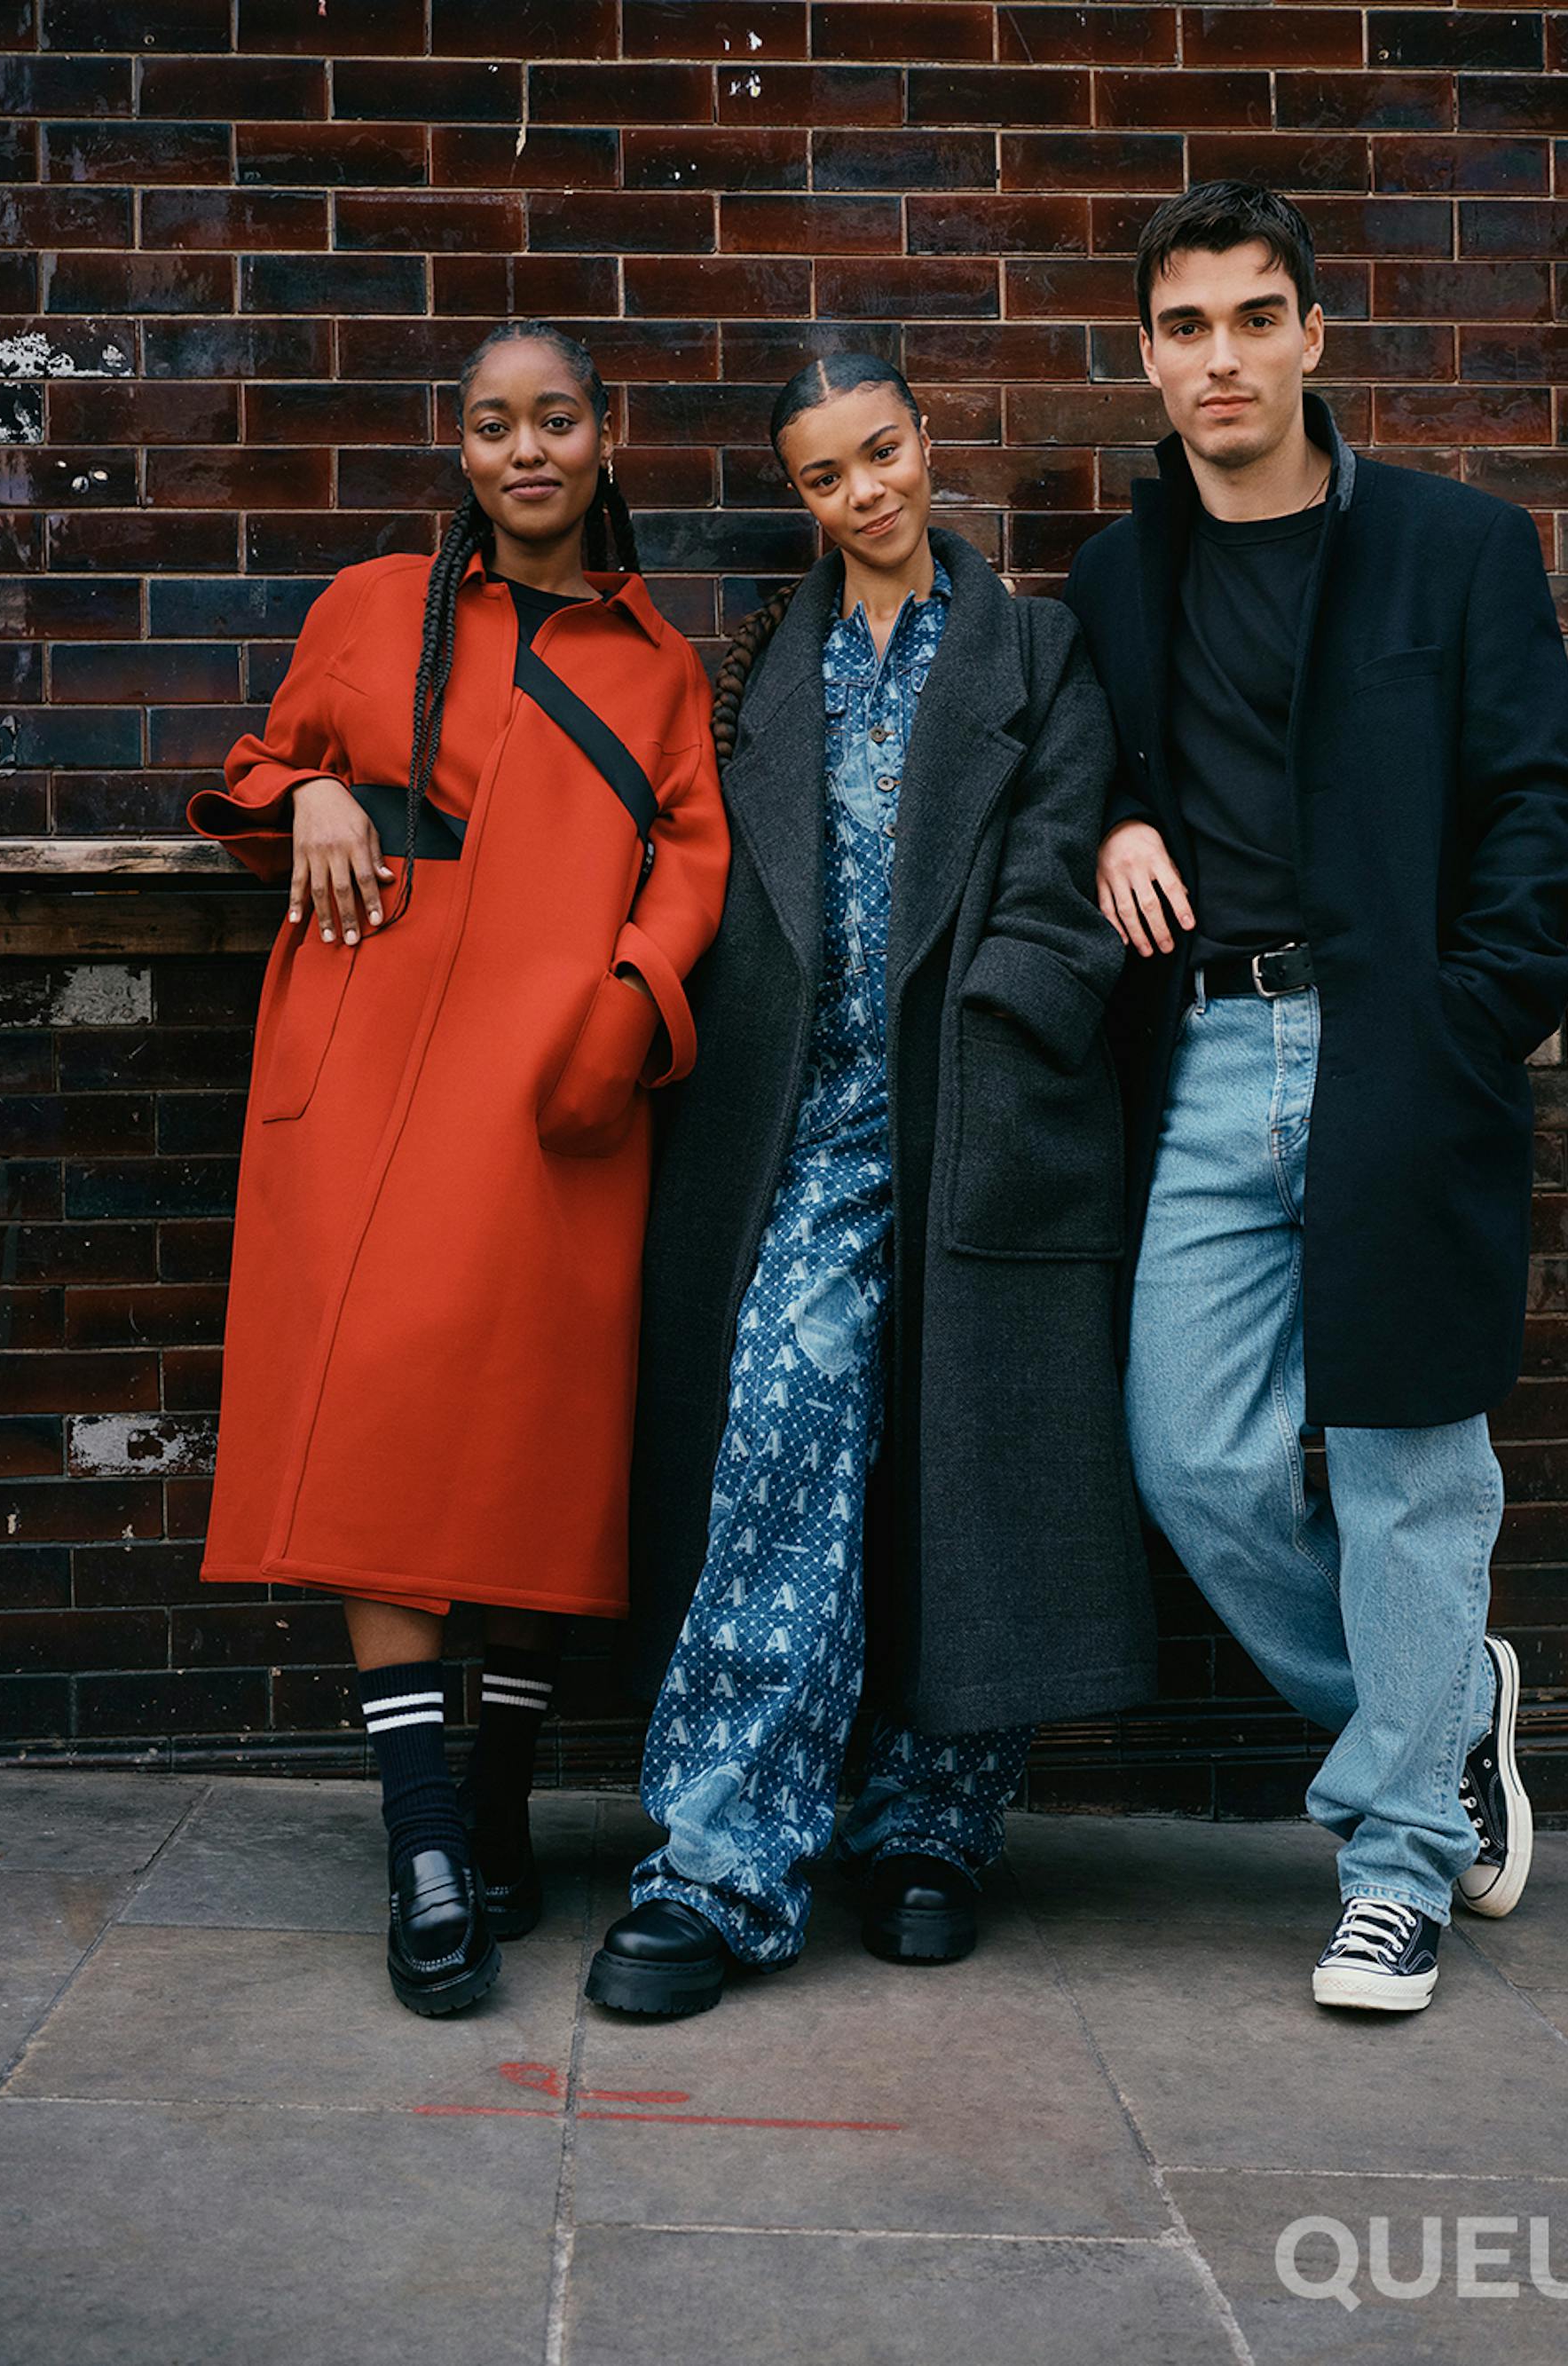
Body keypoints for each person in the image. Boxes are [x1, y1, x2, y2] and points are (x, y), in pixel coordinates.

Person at [1064, 184, 1568, 2014]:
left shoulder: (1456, 547)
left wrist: (1472, 1019)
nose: (1221, 355)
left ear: (1313, 336)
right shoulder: (1118, 577)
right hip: (1209, 1051)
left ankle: (1393, 1866)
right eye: (1185, 326)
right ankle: (1440, 1706)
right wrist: (1118, 814)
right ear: (1145, 357)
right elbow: (1081, 777)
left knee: (1406, 1470)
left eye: (1253, 316)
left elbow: (1540, 804)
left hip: (1399, 1048)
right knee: (1192, 1458)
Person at [584, 352, 1157, 2020]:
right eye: (827, 476)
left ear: (929, 442)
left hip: (982, 1115)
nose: (866, 493)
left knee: (960, 1460)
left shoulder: (1038, 649)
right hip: (807, 1129)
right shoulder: (763, 673)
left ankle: (930, 1828)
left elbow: (1065, 864)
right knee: (786, 1429)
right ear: (804, 497)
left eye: (884, 452)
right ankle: (721, 1861)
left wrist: (1020, 1017)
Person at [186, 321, 729, 2015]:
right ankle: (427, 1840)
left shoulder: (659, 664)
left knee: (535, 1447)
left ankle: (497, 1800)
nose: (526, 451)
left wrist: (631, 1009)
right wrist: (314, 800)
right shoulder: (366, 610)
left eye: (554, 419)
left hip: (561, 1093)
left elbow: (694, 860)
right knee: (387, 1428)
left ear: (602, 437)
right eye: (493, 425)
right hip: (363, 1074)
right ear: (465, 450)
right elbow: (257, 765)